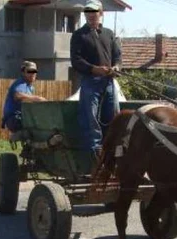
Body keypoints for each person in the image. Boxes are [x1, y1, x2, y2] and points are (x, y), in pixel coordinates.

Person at [70, 0, 122, 151]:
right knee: (90, 117)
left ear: (101, 13)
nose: (91, 15)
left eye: (95, 12)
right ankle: (94, 150)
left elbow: (117, 56)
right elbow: (76, 60)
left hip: (109, 82)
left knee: (113, 115)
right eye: (88, 12)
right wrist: (94, 69)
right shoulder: (79, 35)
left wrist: (116, 67)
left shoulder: (108, 33)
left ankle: (111, 148)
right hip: (90, 82)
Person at [1, 61, 47, 133]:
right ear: (23, 72)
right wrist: (38, 99)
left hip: (20, 117)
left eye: (34, 71)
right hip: (15, 118)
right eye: (29, 71)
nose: (33, 74)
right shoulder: (21, 83)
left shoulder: (30, 87)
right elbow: (17, 95)